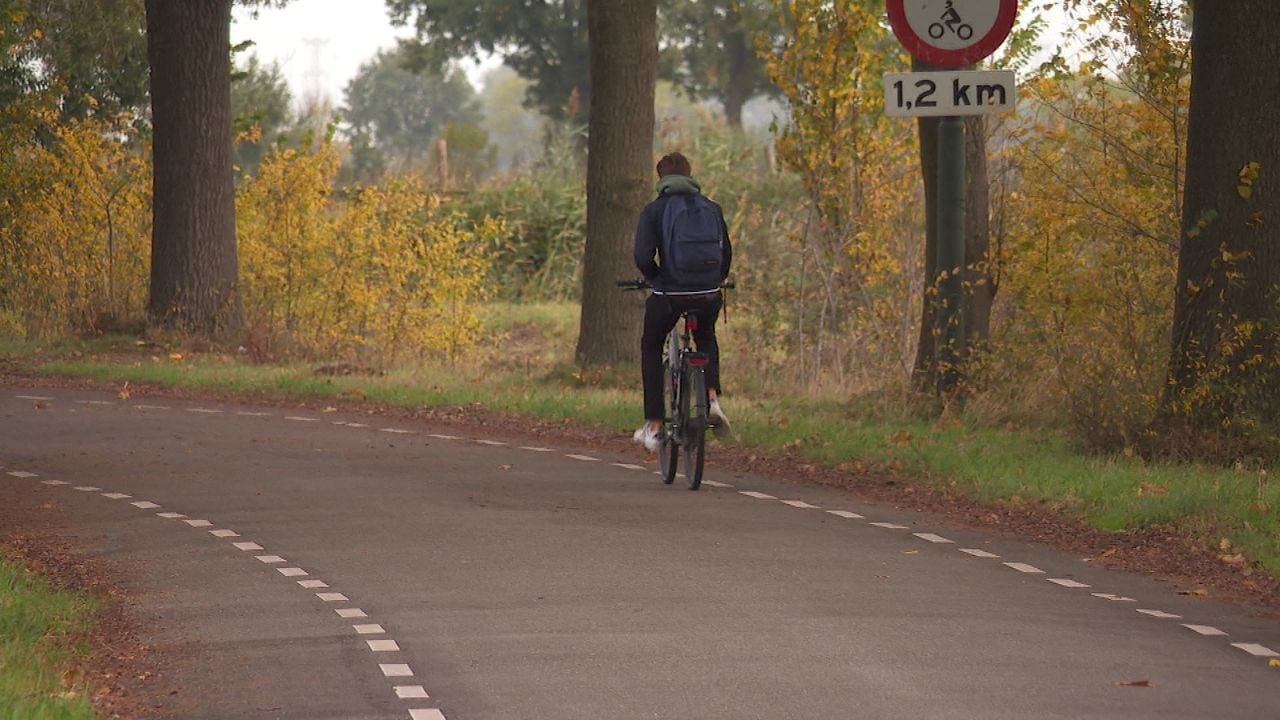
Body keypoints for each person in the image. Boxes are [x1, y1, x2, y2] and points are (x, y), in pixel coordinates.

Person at [631, 151, 733, 452]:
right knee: (705, 335)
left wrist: (656, 278)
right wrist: (716, 280)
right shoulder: (711, 208)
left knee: (651, 345)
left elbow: (642, 256)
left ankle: (653, 426)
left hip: (670, 294)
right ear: (689, 175)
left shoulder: (654, 211)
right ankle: (712, 398)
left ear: (661, 178)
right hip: (708, 293)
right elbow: (725, 252)